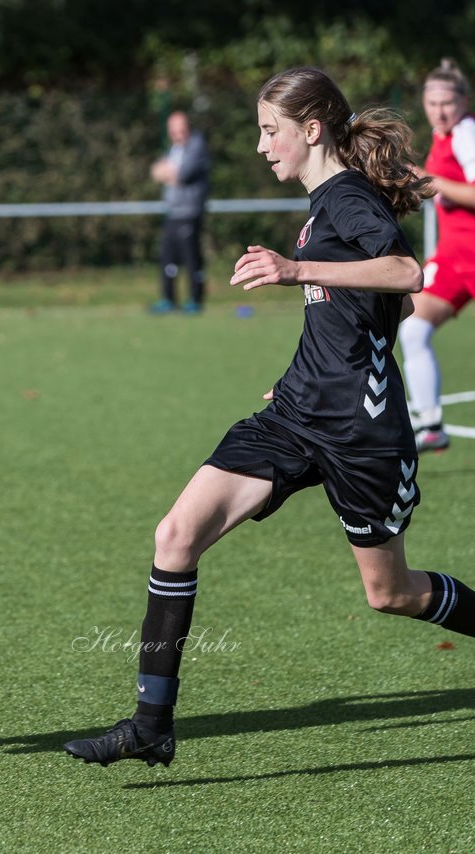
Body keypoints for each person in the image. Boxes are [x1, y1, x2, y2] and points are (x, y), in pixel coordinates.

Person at [64, 67, 475, 769]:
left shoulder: (347, 198)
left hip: (361, 434)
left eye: (269, 130)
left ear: (310, 130)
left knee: (391, 593)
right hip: (295, 415)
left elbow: (406, 277)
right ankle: (150, 725)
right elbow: (372, 312)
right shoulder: (320, 209)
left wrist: (293, 274)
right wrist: (312, 371)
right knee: (176, 535)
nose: (260, 146)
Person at [400, 59, 475, 453]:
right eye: (432, 103)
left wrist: (428, 181)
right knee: (413, 328)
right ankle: (430, 425)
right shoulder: (442, 135)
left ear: (464, 101)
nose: (440, 110)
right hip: (453, 258)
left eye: (447, 102)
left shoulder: (466, 133)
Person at [149, 111, 211, 315]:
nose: (177, 133)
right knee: (168, 258)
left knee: (191, 259)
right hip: (172, 212)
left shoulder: (196, 144)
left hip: (190, 212)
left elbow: (183, 174)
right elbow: (155, 171)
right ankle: (168, 299)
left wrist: (170, 173)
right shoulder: (174, 148)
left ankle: (194, 299)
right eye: (173, 129)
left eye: (180, 128)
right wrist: (169, 173)